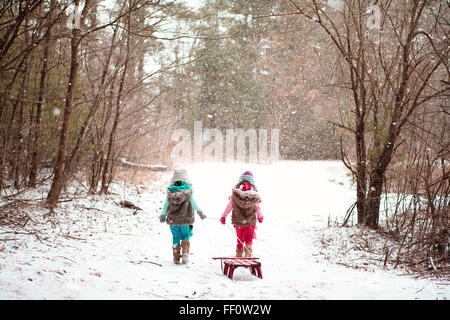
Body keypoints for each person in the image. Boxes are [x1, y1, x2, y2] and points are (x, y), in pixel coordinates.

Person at [160, 168, 206, 264]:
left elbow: (166, 205)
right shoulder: (188, 192)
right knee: (185, 235)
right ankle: (185, 254)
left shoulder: (170, 193)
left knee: (175, 236)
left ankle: (176, 257)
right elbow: (193, 203)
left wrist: (163, 215)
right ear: (186, 179)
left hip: (173, 220)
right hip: (185, 219)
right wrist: (200, 212)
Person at [220, 171, 263, 257]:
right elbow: (257, 207)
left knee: (239, 240)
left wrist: (223, 216)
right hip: (250, 223)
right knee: (249, 239)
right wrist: (260, 216)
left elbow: (229, 207)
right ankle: (248, 256)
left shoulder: (235, 195)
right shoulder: (254, 196)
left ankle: (239, 256)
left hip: (239, 222)